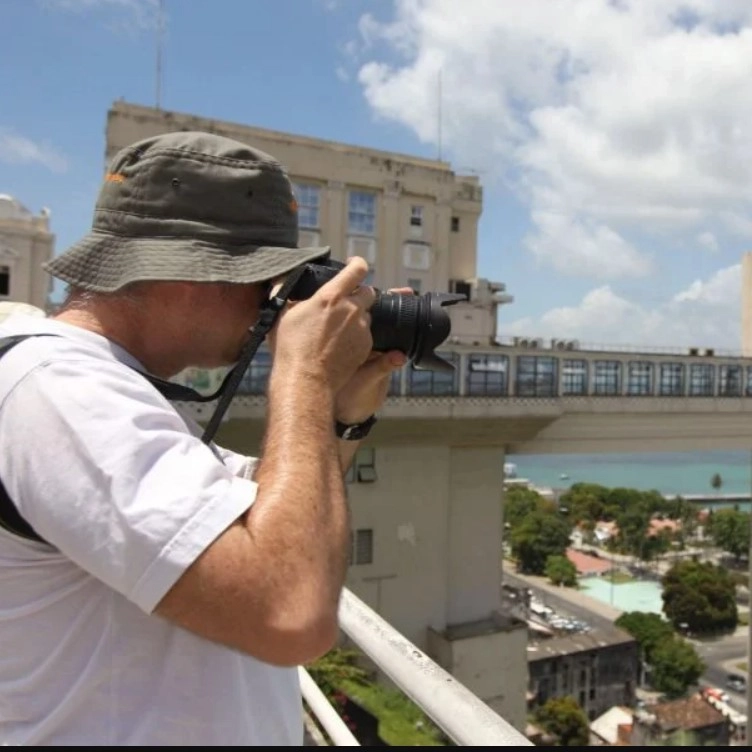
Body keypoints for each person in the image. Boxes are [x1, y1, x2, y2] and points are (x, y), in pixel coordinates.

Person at [0, 131, 406, 745]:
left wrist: (337, 417)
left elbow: (267, 515)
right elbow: (288, 614)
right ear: (189, 273)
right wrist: (305, 377)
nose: (270, 308)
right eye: (263, 282)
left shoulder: (107, 389)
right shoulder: (63, 391)